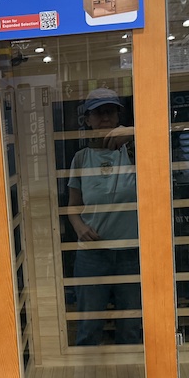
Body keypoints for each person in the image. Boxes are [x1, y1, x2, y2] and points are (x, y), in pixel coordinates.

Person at [66, 88, 141, 345]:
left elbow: (163, 139)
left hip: (131, 253)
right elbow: (73, 206)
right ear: (87, 119)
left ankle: (129, 374)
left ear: (119, 116)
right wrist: (79, 227)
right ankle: (88, 373)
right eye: (98, 113)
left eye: (110, 111)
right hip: (92, 255)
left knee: (131, 330)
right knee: (88, 329)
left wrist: (134, 133)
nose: (105, 117)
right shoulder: (81, 159)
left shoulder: (135, 152)